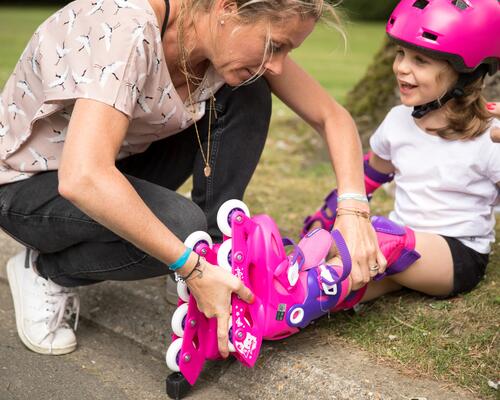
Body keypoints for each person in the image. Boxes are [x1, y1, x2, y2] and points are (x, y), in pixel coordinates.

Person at [1, 0, 382, 357]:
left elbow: (332, 117)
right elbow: (82, 177)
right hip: (26, 186)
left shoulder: (218, 41)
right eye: (275, 45)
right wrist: (189, 264)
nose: (279, 65)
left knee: (248, 91)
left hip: (109, 163)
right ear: (227, 8)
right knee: (183, 232)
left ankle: (217, 258)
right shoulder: (123, 29)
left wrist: (353, 209)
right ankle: (44, 271)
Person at [303, 0, 500, 305]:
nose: (401, 68)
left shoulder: (490, 137)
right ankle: (277, 306)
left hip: (457, 254)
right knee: (340, 274)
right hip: (400, 242)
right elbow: (369, 174)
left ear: (466, 72)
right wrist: (328, 215)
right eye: (400, 54)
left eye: (420, 60)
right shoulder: (397, 121)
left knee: (381, 239)